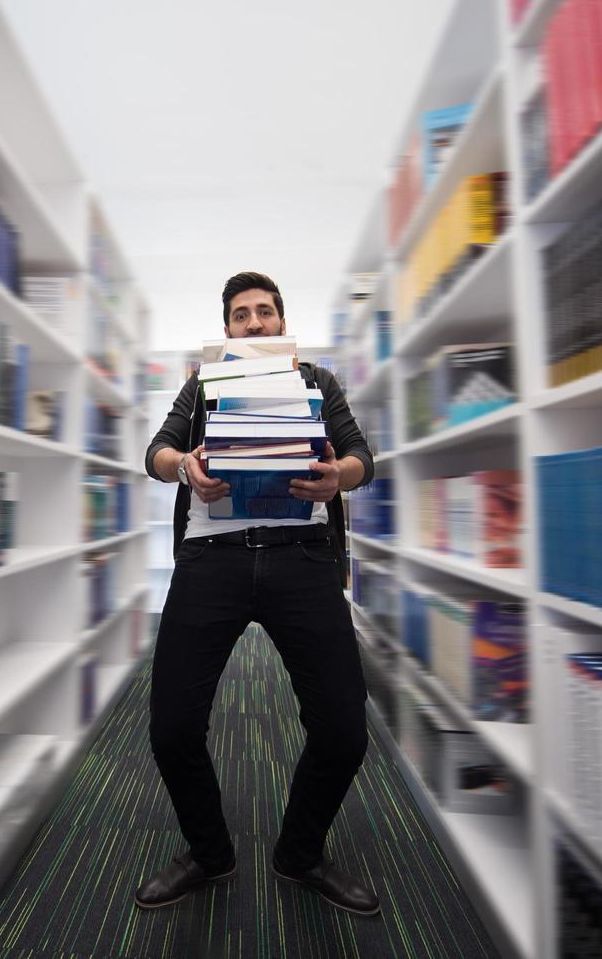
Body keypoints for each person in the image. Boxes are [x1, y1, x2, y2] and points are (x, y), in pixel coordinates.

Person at [135, 271, 379, 916]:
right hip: (210, 563)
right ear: (227, 329)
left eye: (265, 312)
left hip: (301, 561)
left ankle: (300, 852)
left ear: (281, 321)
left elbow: (362, 456)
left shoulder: (317, 382)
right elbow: (157, 449)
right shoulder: (205, 382)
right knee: (171, 727)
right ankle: (209, 852)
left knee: (345, 729)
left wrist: (338, 477)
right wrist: (181, 465)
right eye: (241, 314)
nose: (254, 323)